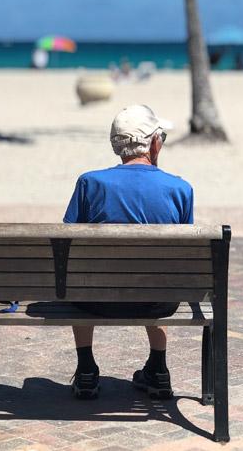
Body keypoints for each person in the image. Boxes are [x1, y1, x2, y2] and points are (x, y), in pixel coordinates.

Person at [63, 105, 193, 400]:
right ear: (154, 143)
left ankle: (85, 369)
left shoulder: (90, 183)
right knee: (159, 273)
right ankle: (158, 369)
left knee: (79, 277)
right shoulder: (180, 189)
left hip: (96, 301)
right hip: (158, 303)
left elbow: (68, 242)